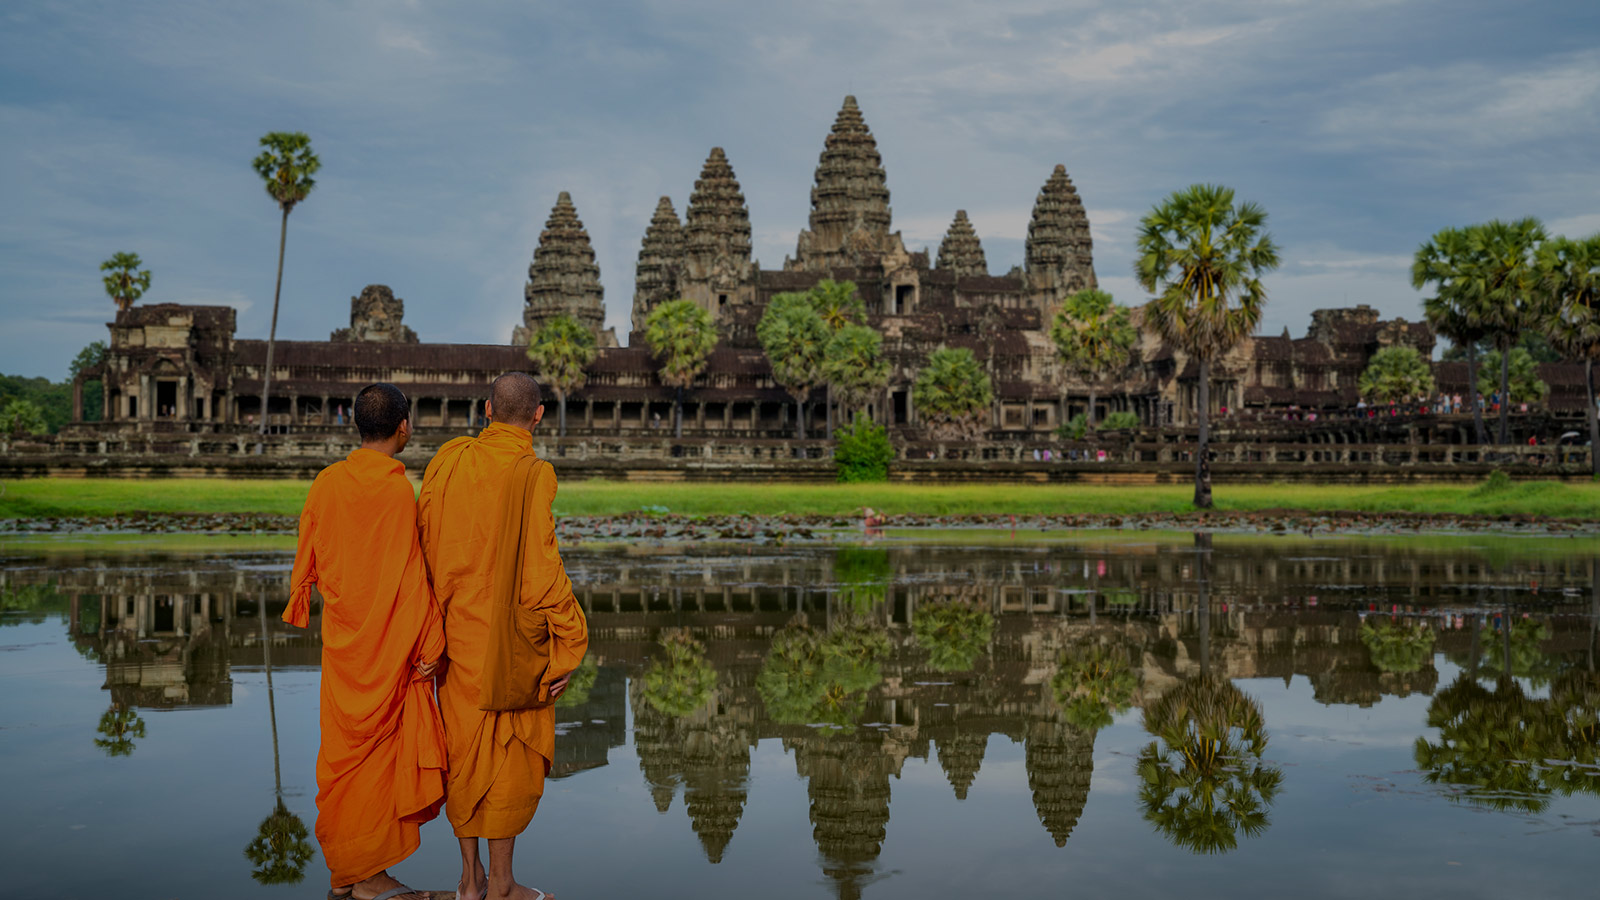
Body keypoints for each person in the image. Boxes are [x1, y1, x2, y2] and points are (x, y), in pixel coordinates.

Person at [418, 372, 589, 900]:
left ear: (486, 409)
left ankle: (468, 881)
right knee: (506, 754)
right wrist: (569, 643)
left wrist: (428, 633)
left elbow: (424, 543)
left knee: (464, 750)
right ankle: (502, 882)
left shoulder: (448, 460)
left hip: (454, 636)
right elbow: (542, 571)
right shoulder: (533, 472)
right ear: (538, 416)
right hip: (512, 647)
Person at [283, 383, 447, 900]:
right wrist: (429, 641)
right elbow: (409, 574)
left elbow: (310, 558)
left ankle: (359, 872)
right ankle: (369, 876)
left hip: (346, 646)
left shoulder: (327, 483)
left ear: (357, 426)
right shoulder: (398, 491)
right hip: (387, 649)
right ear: (405, 426)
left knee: (344, 756)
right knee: (374, 759)